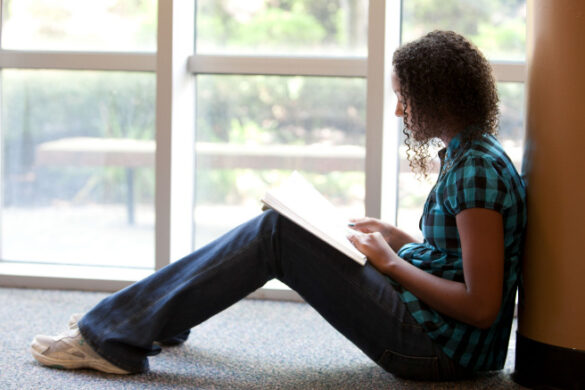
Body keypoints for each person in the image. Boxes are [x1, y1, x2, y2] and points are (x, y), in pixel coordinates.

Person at [30, 30, 526, 381]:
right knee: (280, 225)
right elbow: (461, 263)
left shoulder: (476, 170)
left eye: (405, 97)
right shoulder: (471, 154)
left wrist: (391, 262)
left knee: (276, 234)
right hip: (435, 334)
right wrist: (402, 241)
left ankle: (112, 336)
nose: (399, 110)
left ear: (436, 96)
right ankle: (146, 318)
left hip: (438, 351)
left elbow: (481, 308)